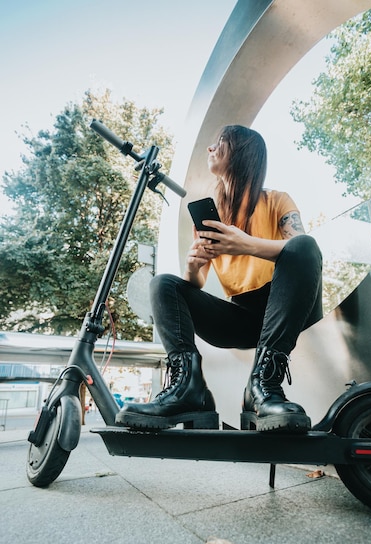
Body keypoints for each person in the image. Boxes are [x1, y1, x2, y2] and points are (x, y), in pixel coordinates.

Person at [116, 125, 323, 433]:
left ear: (240, 152)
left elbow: (302, 252)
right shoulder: (212, 218)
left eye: (219, 143)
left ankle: (263, 386)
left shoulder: (278, 200)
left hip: (289, 310)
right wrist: (192, 266)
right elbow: (196, 282)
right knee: (163, 284)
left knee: (305, 246)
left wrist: (245, 244)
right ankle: (188, 388)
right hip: (242, 316)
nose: (210, 149)